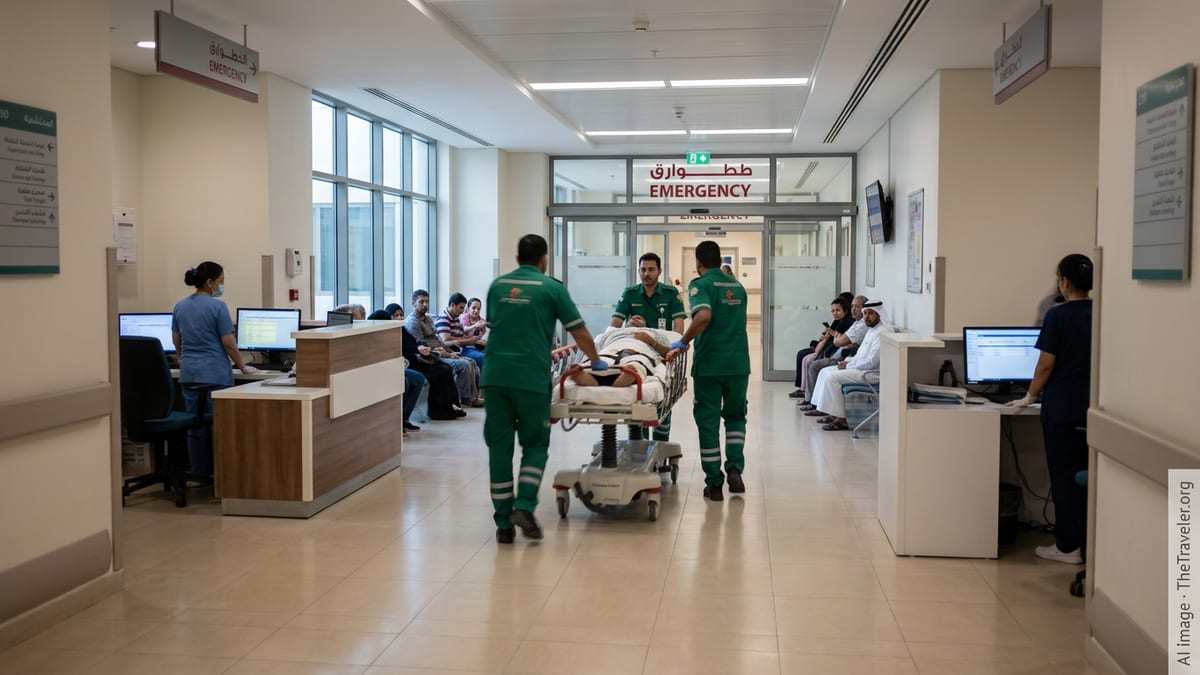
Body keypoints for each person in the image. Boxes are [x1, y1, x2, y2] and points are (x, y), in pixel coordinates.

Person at [483, 234, 604, 543]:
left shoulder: (497, 287)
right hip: (530, 378)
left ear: (517, 256)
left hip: (494, 376)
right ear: (544, 259)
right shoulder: (552, 289)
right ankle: (523, 505)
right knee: (535, 444)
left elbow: (495, 324)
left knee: (499, 449)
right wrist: (596, 361)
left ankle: (503, 525)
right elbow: (579, 331)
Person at [1007, 253, 1093, 565]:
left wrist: (1029, 396)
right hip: (1093, 408)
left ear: (1064, 282)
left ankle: (1068, 546)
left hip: (1063, 408)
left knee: (1065, 477)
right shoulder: (1102, 312)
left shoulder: (1059, 316)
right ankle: (1088, 542)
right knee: (1088, 478)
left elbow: (1046, 363)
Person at [670, 240, 750, 501]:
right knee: (736, 416)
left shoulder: (699, 285)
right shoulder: (738, 287)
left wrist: (683, 341)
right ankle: (735, 469)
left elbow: (703, 316)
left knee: (709, 421)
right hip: (738, 364)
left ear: (698, 263)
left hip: (710, 365)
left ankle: (714, 483)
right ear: (720, 260)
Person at [171, 261, 255, 478]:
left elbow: (176, 340)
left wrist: (184, 359)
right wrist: (243, 366)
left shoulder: (180, 306)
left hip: (189, 375)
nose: (222, 286)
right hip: (215, 375)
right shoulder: (218, 307)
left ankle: (199, 473)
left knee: (194, 425)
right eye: (221, 282)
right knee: (221, 427)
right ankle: (223, 477)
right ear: (209, 283)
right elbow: (228, 343)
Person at [611, 252, 686, 442]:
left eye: (651, 269)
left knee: (662, 404)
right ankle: (639, 445)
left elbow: (678, 333)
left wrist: (651, 337)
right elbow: (613, 328)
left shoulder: (670, 295)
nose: (646, 273)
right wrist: (627, 326)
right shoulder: (630, 294)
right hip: (635, 352)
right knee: (636, 401)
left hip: (662, 354)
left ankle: (660, 447)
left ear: (659, 271)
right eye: (643, 269)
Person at [807, 301, 889, 430]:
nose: (867, 317)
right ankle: (831, 413)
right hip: (860, 367)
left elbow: (872, 362)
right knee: (824, 372)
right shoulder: (872, 330)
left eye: (871, 313)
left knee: (832, 378)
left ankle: (842, 420)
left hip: (871, 373)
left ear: (879, 314)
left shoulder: (881, 332)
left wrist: (849, 366)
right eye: (865, 313)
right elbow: (861, 355)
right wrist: (848, 362)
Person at [407, 289, 484, 407]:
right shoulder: (414, 323)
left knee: (471, 362)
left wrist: (451, 353)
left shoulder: (427, 319)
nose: (425, 305)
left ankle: (473, 396)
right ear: (413, 303)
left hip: (443, 351)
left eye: (427, 302)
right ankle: (467, 398)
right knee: (465, 364)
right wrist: (448, 354)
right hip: (431, 356)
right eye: (421, 302)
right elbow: (423, 346)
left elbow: (439, 340)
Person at [798, 295, 868, 407]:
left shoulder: (860, 325)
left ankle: (815, 403)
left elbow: (839, 342)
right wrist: (839, 339)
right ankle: (813, 400)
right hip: (845, 356)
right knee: (809, 360)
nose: (854, 309)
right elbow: (841, 340)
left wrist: (839, 339)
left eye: (857, 307)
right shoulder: (856, 322)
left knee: (815, 365)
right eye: (852, 306)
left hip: (847, 359)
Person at [369, 309, 427, 433]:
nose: (399, 318)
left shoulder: (395, 331)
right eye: (395, 316)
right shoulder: (369, 333)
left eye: (401, 315)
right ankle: (396, 422)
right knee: (403, 381)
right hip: (380, 368)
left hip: (393, 365)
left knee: (419, 378)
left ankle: (404, 418)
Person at [569, 330, 670, 387]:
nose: (635, 318)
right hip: (611, 348)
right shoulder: (612, 332)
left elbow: (667, 352)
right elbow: (598, 348)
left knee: (637, 362)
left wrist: (652, 341)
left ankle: (628, 375)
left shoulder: (654, 333)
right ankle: (584, 374)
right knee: (601, 359)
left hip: (639, 349)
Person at [436, 292, 485, 371]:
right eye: (461, 308)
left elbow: (461, 336)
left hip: (464, 348)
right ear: (452, 305)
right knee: (483, 357)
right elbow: (445, 339)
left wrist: (474, 340)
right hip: (455, 350)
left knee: (490, 354)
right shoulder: (443, 319)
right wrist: (469, 340)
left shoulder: (456, 319)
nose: (462, 311)